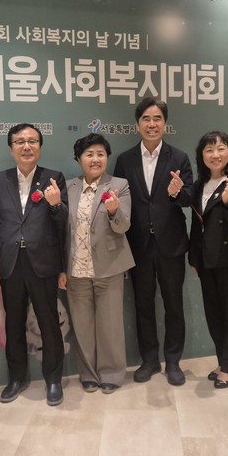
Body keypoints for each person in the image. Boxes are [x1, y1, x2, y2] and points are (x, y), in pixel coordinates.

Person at [113, 97, 193, 386]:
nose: (151, 124)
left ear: (165, 124)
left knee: (174, 304)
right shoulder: (125, 160)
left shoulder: (179, 158)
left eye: (157, 118)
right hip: (138, 245)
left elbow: (189, 198)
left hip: (171, 243)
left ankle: (173, 361)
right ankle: (149, 360)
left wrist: (177, 192)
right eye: (146, 118)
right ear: (138, 124)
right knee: (143, 304)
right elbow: (121, 202)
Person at [0, 123, 68, 406]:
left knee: (49, 323)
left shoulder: (53, 178)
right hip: (11, 262)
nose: (26, 146)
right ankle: (16, 378)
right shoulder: (0, 180)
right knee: (13, 324)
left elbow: (63, 224)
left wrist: (56, 205)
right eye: (20, 142)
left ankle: (53, 380)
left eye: (32, 141)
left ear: (40, 147)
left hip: (43, 262)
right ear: (11, 148)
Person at [59, 133, 134, 393]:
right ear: (79, 159)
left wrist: (114, 210)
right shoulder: (68, 187)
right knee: (82, 327)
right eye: (89, 154)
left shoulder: (119, 185)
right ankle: (88, 374)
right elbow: (60, 229)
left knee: (110, 326)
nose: (95, 159)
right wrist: (60, 268)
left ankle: (111, 374)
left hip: (109, 266)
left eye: (101, 154)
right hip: (76, 268)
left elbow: (124, 226)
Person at [188, 131, 228, 389]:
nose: (215, 155)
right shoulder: (199, 185)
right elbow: (196, 224)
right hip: (205, 260)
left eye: (220, 148)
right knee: (214, 314)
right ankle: (222, 360)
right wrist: (194, 256)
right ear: (202, 156)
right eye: (209, 150)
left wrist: (227, 200)